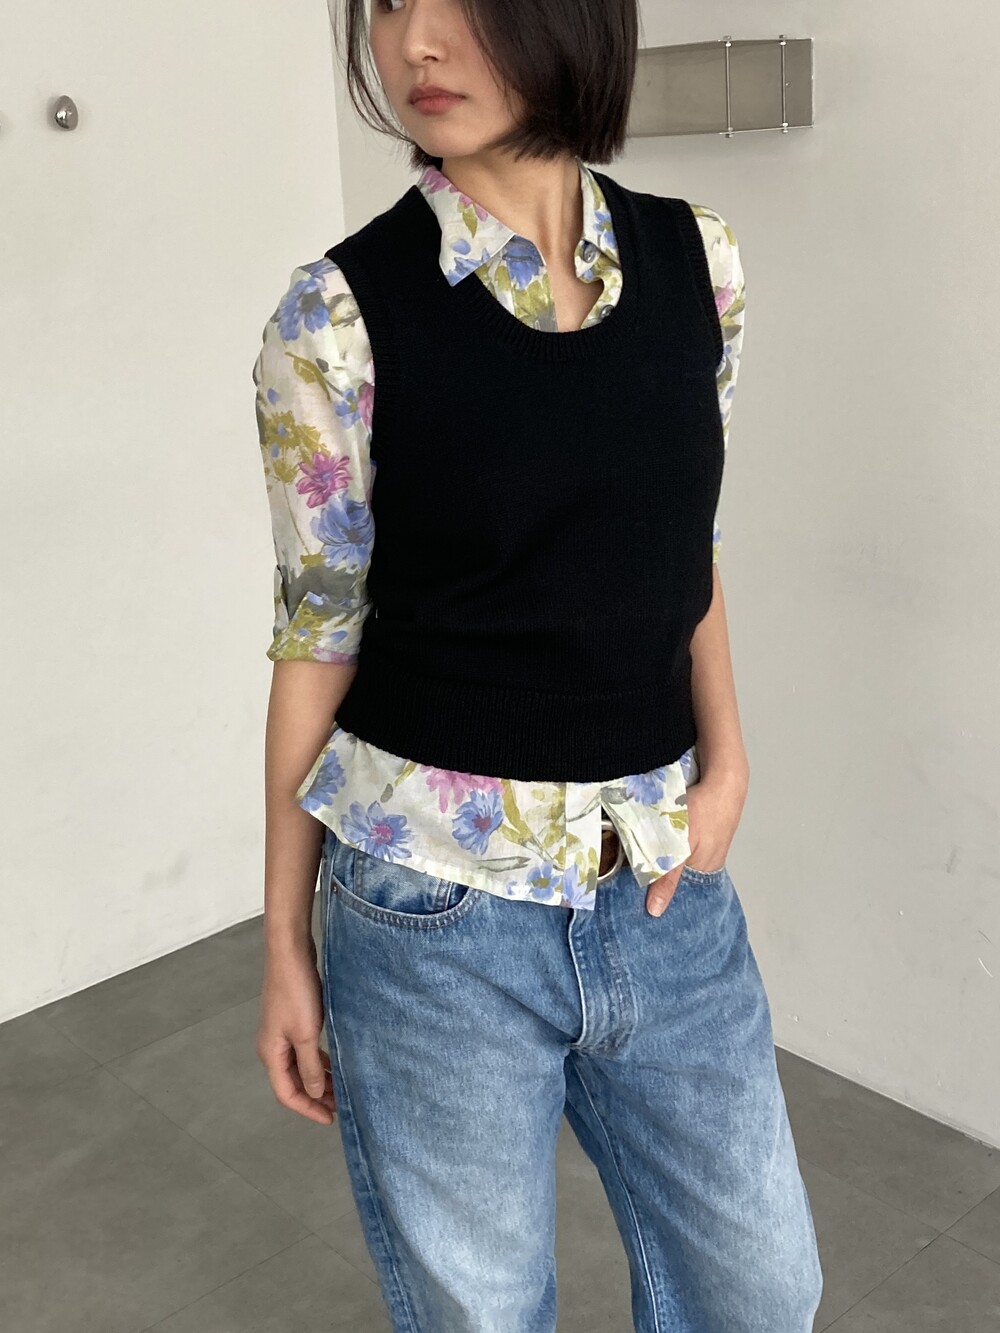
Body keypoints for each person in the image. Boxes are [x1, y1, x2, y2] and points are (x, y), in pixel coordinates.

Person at [253, 0, 824, 1329]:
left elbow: (687, 545)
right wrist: (284, 940)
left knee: (761, 1289)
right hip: (430, 914)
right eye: (387, 3)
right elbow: (315, 633)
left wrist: (729, 762)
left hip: (663, 887)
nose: (414, 40)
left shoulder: (700, 263)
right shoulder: (334, 318)